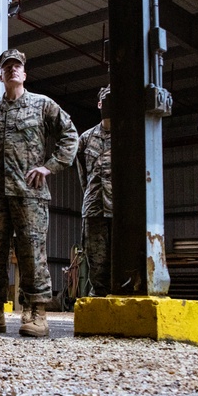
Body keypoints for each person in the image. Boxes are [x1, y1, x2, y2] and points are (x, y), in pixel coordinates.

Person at [0, 48, 78, 337]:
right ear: (1, 75)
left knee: (32, 253)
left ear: (24, 74)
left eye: (17, 67)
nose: (13, 70)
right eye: (7, 67)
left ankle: (36, 313)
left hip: (30, 194)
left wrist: (49, 166)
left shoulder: (42, 105)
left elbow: (70, 136)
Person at [75, 85, 113, 297]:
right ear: (99, 105)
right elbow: (83, 176)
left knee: (122, 259)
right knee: (96, 259)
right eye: (105, 100)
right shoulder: (86, 138)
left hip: (121, 210)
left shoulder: (129, 136)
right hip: (94, 207)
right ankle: (98, 297)